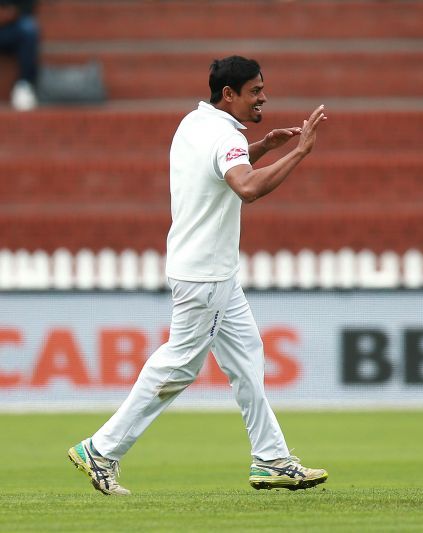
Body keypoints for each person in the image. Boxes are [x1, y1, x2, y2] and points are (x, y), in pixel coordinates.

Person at [68, 56, 328, 496]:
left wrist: (262, 146)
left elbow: (222, 168)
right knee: (179, 365)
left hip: (210, 271)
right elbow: (245, 188)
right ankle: (101, 448)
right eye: (255, 91)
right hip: (205, 275)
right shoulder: (224, 137)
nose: (263, 97)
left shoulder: (193, 123)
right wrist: (300, 152)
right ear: (229, 94)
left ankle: (271, 459)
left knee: (247, 356)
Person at [0, 0, 38, 110]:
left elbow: (28, 6)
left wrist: (12, 13)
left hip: (13, 26)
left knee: (28, 29)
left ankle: (24, 85)